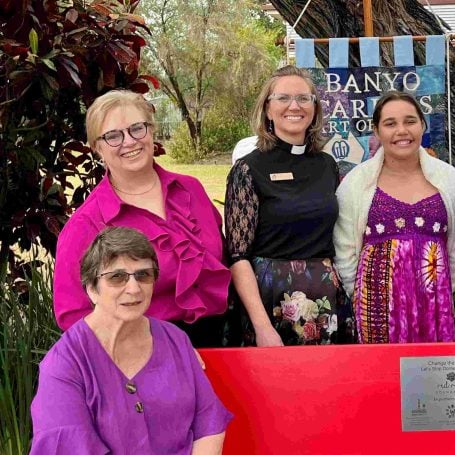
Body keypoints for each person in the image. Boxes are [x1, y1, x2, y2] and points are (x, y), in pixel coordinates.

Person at [54, 90, 231, 347]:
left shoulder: (191, 190)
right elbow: (72, 315)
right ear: (97, 148)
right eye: (113, 136)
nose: (129, 142)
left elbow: (221, 257)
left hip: (220, 342)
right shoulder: (88, 224)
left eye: (137, 128)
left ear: (151, 131)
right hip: (144, 353)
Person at [31, 227, 232, 454]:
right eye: (117, 277)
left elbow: (209, 424)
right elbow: (69, 446)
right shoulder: (64, 365)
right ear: (91, 289)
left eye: (143, 275)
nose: (134, 288)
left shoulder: (175, 339)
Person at [225, 66, 353, 346]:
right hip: (270, 303)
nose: (294, 106)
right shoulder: (248, 169)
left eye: (303, 98)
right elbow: (238, 257)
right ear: (268, 110)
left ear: (315, 108)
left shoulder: (327, 166)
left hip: (326, 301)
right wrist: (261, 326)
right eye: (283, 98)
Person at [334, 91, 455, 343]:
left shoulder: (452, 182)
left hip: (434, 311)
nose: (402, 130)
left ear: (422, 125)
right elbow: (344, 250)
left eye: (410, 121)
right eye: (390, 123)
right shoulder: (355, 184)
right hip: (374, 312)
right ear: (376, 131)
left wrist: (435, 292)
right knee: (379, 379)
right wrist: (362, 296)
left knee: (433, 378)